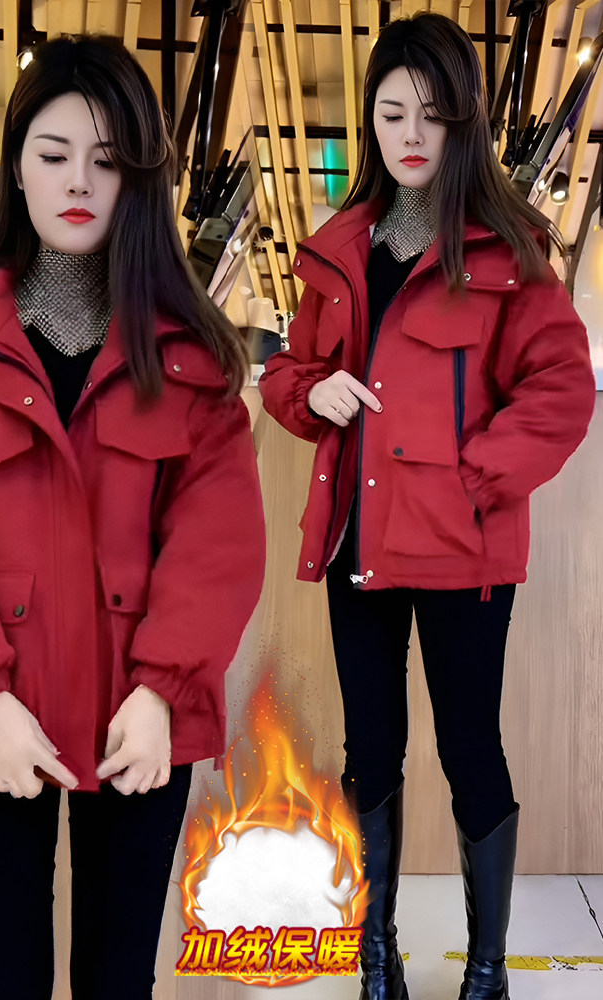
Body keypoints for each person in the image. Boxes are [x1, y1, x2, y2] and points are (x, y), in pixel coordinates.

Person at [0, 34, 265, 1000]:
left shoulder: (191, 357)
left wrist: (163, 691)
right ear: (17, 168)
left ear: (140, 180)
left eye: (106, 160)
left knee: (118, 978)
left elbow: (218, 546)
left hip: (140, 723)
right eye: (53, 154)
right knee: (5, 978)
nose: (78, 181)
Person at [259, 13, 595, 1000]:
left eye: (433, 114)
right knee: (371, 749)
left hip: (465, 551)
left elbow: (559, 389)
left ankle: (487, 972)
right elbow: (289, 372)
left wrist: (475, 477)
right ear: (370, 119)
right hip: (359, 543)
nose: (411, 133)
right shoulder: (339, 249)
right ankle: (378, 958)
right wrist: (309, 391)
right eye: (392, 111)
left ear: (465, 122)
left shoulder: (511, 250)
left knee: (470, 746)